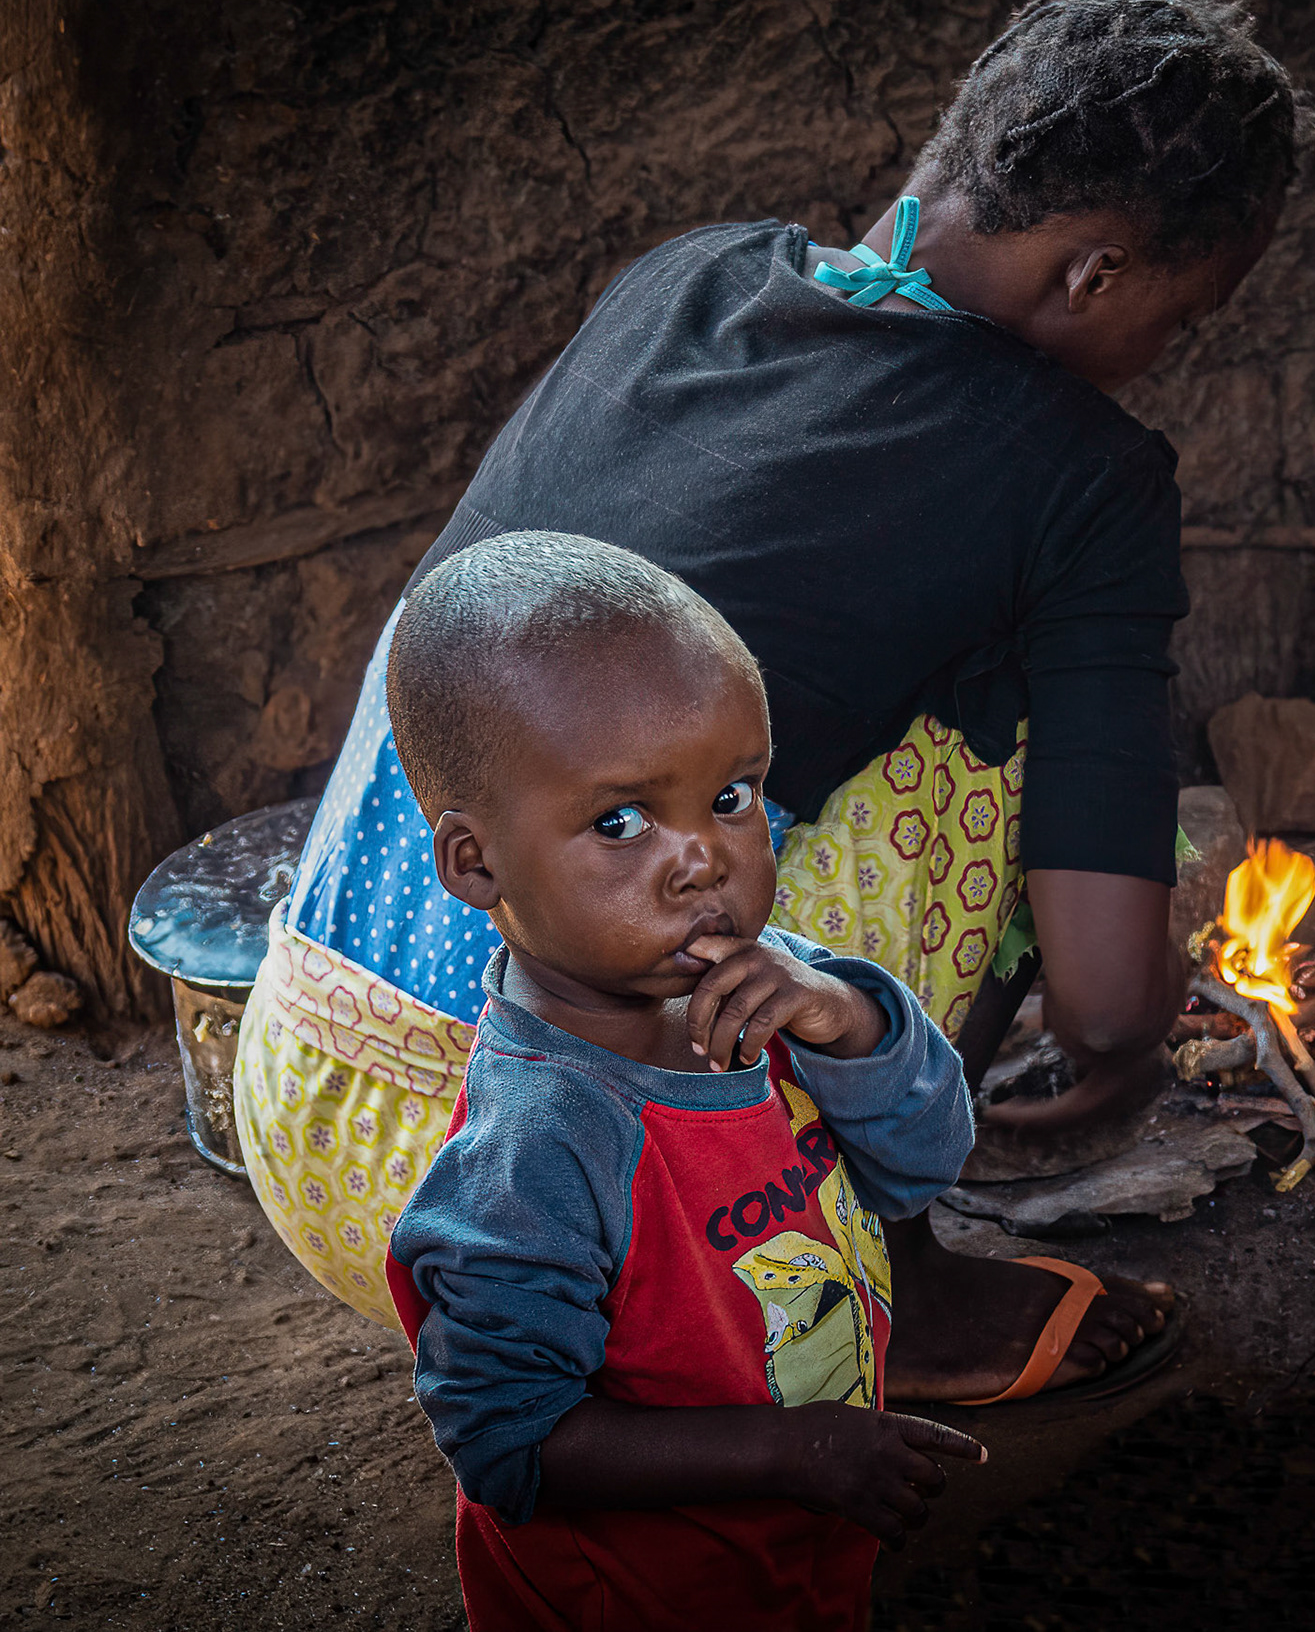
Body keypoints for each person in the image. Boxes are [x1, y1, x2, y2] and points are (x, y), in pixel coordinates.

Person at [235, 0, 1315, 1402]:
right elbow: (1111, 1002)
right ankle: (889, 1278)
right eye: (1183, 319)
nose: (1162, 358)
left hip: (321, 1130)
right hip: (637, 1219)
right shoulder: (1081, 472)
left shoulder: (685, 278)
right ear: (1095, 275)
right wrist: (1123, 1043)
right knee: (1014, 724)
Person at [382, 532, 986, 1629]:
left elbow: (923, 1164)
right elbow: (510, 1441)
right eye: (620, 821)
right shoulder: (544, 1141)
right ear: (476, 862)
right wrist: (790, 1451)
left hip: (802, 1550)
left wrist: (850, 1019)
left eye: (733, 794)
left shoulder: (775, 994)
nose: (703, 857)